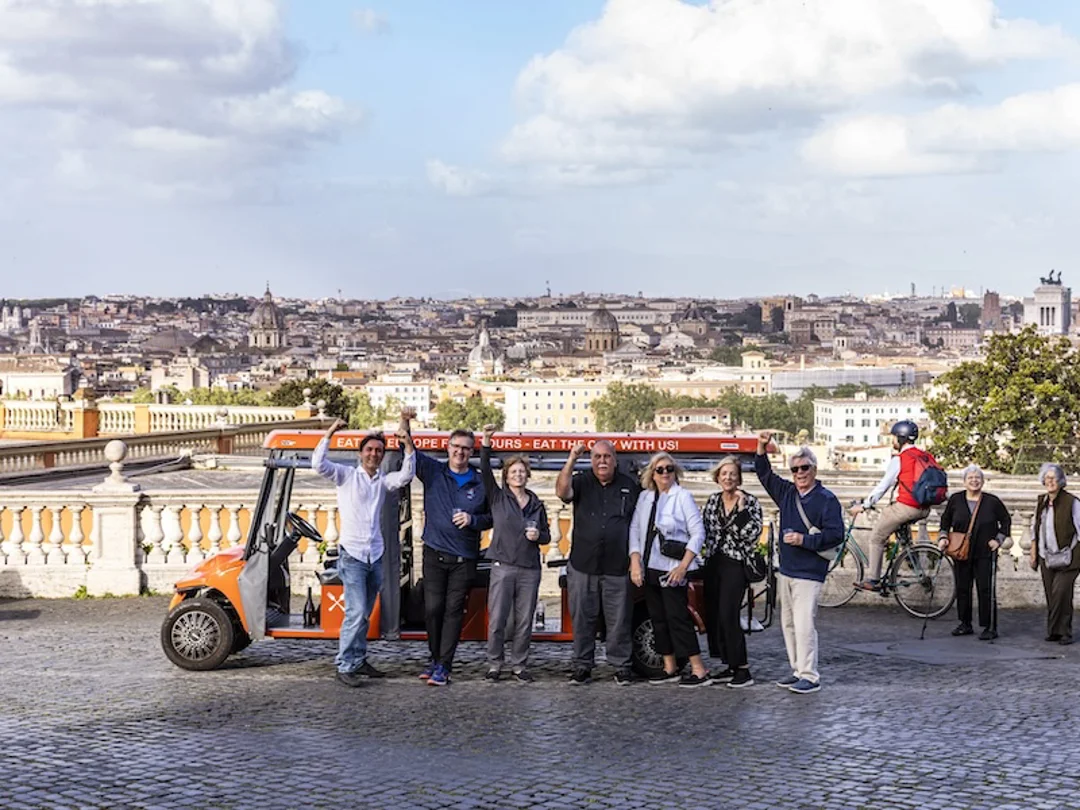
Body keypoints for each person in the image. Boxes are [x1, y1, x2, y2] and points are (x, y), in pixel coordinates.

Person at [313, 409, 416, 688]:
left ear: (382, 456)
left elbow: (406, 476)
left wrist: (407, 447)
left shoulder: (382, 482)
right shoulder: (346, 475)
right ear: (361, 454)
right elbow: (318, 465)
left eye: (379, 451)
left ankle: (358, 660)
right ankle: (345, 665)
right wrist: (331, 433)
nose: (374, 454)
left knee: (365, 612)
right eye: (369, 450)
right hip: (354, 556)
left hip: (376, 555)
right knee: (356, 613)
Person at [755, 432, 843, 694]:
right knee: (789, 624)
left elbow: (835, 534)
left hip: (809, 572)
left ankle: (810, 675)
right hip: (788, 569)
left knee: (805, 624)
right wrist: (761, 446)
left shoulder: (826, 499)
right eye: (795, 469)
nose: (799, 473)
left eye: (804, 468)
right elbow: (764, 474)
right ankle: (797, 670)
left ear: (814, 469)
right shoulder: (787, 493)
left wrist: (803, 540)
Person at [556, 440, 640, 685]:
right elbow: (562, 492)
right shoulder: (581, 481)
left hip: (617, 566)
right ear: (590, 460)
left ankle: (621, 666)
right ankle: (582, 666)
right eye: (596, 457)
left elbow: (638, 523)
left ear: (615, 459)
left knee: (619, 620)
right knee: (583, 619)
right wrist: (572, 458)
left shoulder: (629, 485)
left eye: (606, 457)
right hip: (584, 565)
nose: (602, 461)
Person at [415, 428, 492, 685]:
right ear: (448, 447)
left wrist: (473, 520)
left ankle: (444, 666)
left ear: (472, 452)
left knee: (453, 611)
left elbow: (493, 517)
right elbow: (408, 450)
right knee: (433, 609)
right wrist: (405, 423)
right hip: (434, 552)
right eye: (456, 446)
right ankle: (435, 659)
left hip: (464, 558)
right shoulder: (434, 471)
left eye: (466, 448)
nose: (460, 452)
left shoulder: (481, 482)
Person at [629, 453, 710, 687]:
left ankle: (698, 669)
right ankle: (669, 666)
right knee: (658, 619)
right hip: (649, 566)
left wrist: (683, 567)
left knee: (678, 618)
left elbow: (698, 533)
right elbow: (635, 531)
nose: (665, 474)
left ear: (675, 472)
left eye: (669, 469)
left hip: (673, 568)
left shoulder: (682, 496)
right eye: (660, 470)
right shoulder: (644, 498)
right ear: (651, 474)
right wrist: (635, 561)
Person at [479, 424, 550, 683]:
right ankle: (494, 664)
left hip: (530, 568)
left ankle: (519, 665)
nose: (518, 475)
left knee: (524, 621)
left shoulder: (536, 504)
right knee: (497, 618)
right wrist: (486, 441)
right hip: (502, 565)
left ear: (527, 475)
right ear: (506, 476)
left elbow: (547, 536)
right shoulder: (497, 497)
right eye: (513, 471)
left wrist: (538, 536)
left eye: (522, 471)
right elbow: (485, 469)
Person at [700, 456, 763, 688]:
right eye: (724, 474)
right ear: (718, 477)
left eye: (732, 474)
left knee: (728, 614)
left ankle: (743, 669)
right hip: (713, 562)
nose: (728, 477)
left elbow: (752, 534)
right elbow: (705, 531)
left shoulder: (751, 502)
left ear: (739, 478)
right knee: (715, 615)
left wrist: (742, 509)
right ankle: (729, 664)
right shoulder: (712, 501)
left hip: (736, 564)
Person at [850, 420, 932, 592]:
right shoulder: (924, 456)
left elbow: (884, 485)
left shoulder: (901, 459)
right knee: (902, 537)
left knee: (877, 537)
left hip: (907, 506)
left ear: (900, 438)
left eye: (894, 437)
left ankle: (873, 580)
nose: (892, 441)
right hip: (924, 507)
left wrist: (865, 505)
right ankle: (914, 565)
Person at [937, 465, 1011, 640]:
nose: (974, 481)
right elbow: (945, 520)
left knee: (985, 589)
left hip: (985, 551)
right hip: (961, 552)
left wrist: (998, 539)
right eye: (970, 478)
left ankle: (989, 626)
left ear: (983, 481)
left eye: (977, 478)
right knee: (963, 588)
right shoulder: (956, 499)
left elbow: (1006, 521)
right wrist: (943, 537)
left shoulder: (992, 501)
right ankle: (965, 623)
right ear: (964, 481)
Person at [1029, 463, 1080, 646]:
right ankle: (1054, 632)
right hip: (1046, 555)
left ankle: (1065, 632)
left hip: (1069, 557)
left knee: (1062, 592)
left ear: (1060, 481)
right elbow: (1035, 528)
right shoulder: (1041, 501)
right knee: (1051, 593)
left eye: (1054, 478)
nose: (1050, 481)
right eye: (1047, 478)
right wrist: (1034, 552)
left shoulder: (1072, 502)